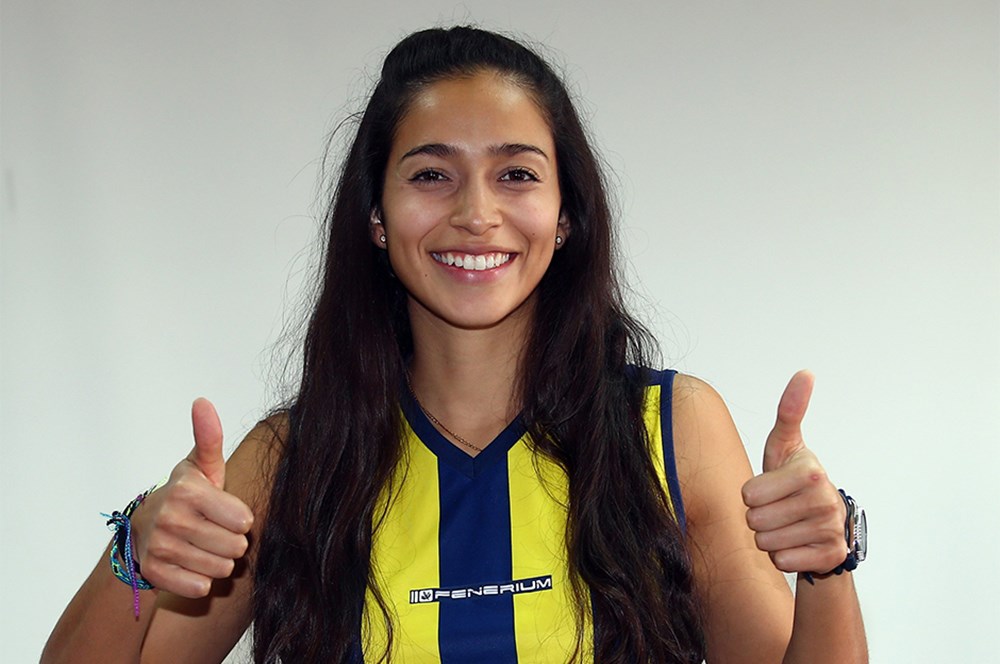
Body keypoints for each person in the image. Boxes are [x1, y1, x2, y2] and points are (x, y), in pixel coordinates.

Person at [43, 26, 867, 663]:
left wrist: (826, 565)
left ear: (566, 215)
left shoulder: (669, 429)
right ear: (376, 216)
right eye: (431, 175)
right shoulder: (294, 460)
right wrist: (135, 550)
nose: (476, 214)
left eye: (517, 174)